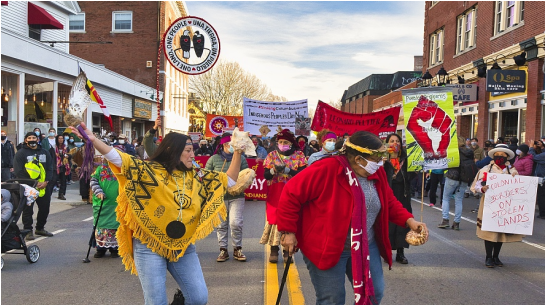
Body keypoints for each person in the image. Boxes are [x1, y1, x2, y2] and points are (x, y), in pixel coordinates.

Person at [70, 121, 244, 305]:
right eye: (188, 150)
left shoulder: (197, 175)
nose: (193, 154)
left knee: (198, 298)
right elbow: (118, 158)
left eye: (192, 150)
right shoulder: (148, 170)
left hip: (183, 246)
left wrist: (239, 151)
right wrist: (94, 140)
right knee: (156, 302)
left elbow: (230, 181)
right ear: (172, 151)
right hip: (148, 245)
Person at [278, 131, 428, 305]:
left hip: (365, 244)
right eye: (377, 158)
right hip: (327, 245)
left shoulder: (376, 172)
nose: (381, 163)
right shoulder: (327, 169)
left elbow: (388, 200)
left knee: (374, 293)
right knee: (332, 300)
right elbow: (290, 193)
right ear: (358, 159)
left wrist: (410, 221)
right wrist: (288, 231)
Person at [260, 129, 307, 263]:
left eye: (285, 142)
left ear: (291, 143)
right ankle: (274, 249)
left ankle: (287, 251)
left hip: (293, 192)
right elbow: (265, 175)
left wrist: (287, 170)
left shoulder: (299, 156)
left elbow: (303, 174)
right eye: (280, 142)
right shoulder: (272, 155)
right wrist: (273, 170)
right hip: (276, 191)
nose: (282, 144)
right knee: (274, 220)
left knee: (290, 219)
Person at [470, 144, 520, 268]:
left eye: (503, 155)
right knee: (489, 231)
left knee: (500, 231)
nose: (500, 157)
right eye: (498, 155)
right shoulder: (486, 169)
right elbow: (475, 186)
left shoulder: (512, 170)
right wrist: (482, 188)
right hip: (489, 205)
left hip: (505, 205)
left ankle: (496, 256)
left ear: (507, 157)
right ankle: (488, 257)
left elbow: (519, 187)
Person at [205, 133, 249, 262]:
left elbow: (246, 175)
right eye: (228, 144)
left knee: (236, 223)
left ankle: (237, 248)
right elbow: (206, 176)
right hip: (219, 197)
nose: (231, 147)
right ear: (223, 145)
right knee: (221, 224)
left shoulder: (241, 159)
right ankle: (223, 250)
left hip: (237, 196)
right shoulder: (213, 159)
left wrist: (239, 184)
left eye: (232, 145)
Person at [13, 132, 54, 240]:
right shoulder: (21, 153)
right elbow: (19, 171)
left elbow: (50, 168)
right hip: (28, 187)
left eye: (34, 137)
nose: (32, 139)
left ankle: (40, 228)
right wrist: (34, 183)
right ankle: (28, 231)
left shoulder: (45, 152)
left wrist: (46, 181)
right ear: (26, 140)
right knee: (28, 210)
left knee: (44, 209)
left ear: (37, 139)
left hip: (44, 186)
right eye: (29, 138)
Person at [383, 133, 412, 264]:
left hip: (403, 194)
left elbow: (411, 176)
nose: (395, 143)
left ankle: (401, 252)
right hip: (388, 194)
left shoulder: (406, 159)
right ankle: (386, 251)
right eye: (392, 141)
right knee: (387, 223)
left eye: (397, 141)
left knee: (403, 222)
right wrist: (382, 164)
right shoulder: (383, 159)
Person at [438, 136, 474, 230]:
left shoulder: (453, 151)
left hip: (452, 177)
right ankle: (456, 222)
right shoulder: (469, 152)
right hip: (464, 178)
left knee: (446, 198)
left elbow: (446, 163)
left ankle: (445, 220)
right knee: (459, 200)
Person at [90, 155, 120, 258]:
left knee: (115, 226)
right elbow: (93, 181)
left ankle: (114, 248)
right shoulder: (100, 169)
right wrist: (98, 192)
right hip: (102, 203)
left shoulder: (121, 170)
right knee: (101, 226)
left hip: (117, 203)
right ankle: (100, 248)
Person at [529, 141, 545, 219]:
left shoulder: (543, 155)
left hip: (542, 178)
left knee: (541, 196)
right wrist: (541, 147)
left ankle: (542, 214)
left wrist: (531, 148)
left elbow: (533, 157)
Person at [54, 134, 71, 200]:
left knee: (63, 181)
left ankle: (61, 194)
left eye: (62, 138)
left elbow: (70, 156)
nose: (61, 140)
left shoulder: (66, 147)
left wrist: (68, 157)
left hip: (64, 166)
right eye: (59, 138)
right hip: (56, 166)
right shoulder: (54, 147)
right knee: (53, 180)